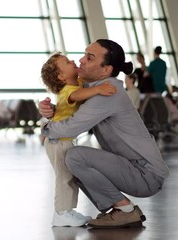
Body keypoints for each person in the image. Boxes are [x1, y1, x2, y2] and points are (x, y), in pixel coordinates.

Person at [39, 39, 170, 229]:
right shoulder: (92, 87)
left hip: (146, 175)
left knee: (73, 157)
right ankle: (119, 210)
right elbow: (69, 106)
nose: (81, 60)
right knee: (72, 160)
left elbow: (71, 127)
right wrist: (50, 109)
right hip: (135, 168)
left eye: (89, 58)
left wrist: (45, 128)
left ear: (105, 70)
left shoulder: (108, 91)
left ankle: (125, 211)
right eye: (84, 54)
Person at [40, 52, 117, 227]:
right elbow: (78, 96)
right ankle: (61, 213)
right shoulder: (68, 91)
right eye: (67, 62)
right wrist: (98, 89)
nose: (73, 60)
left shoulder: (78, 84)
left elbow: (83, 87)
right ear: (61, 76)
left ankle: (67, 210)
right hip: (57, 141)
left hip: (64, 140)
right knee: (64, 178)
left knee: (69, 177)